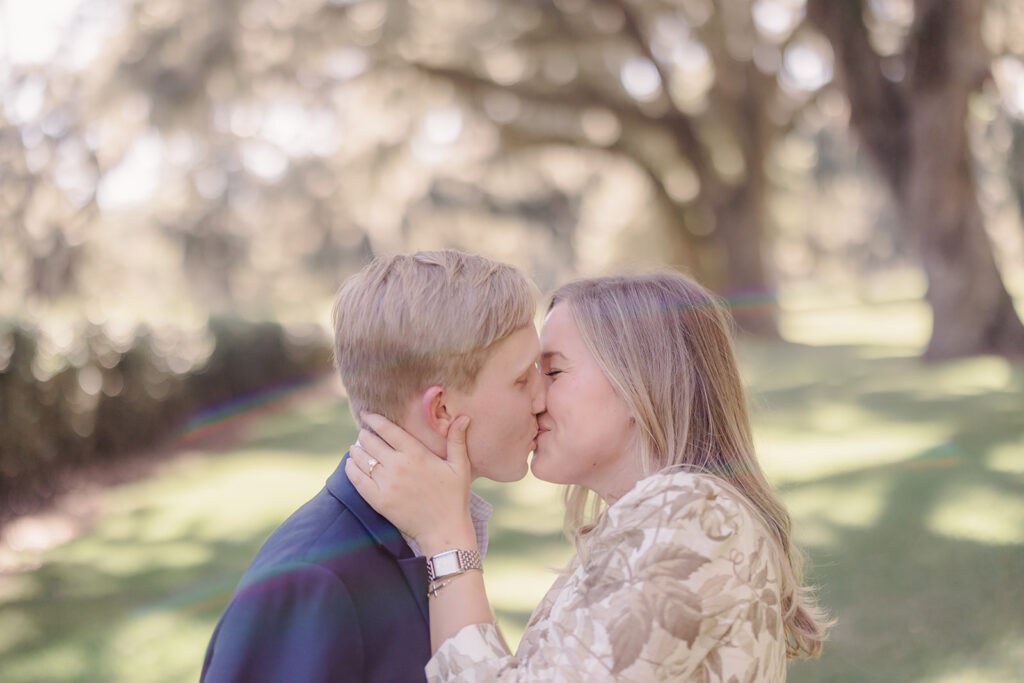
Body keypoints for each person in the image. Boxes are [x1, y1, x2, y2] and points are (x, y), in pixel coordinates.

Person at [348, 272, 832, 681]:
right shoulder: (657, 521)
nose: (534, 398)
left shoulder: (691, 516)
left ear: (638, 383)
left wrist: (446, 539)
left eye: (553, 372)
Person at [200, 250, 546, 682]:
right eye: (522, 379)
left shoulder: (428, 537)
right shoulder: (311, 583)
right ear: (441, 410)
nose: (542, 398)